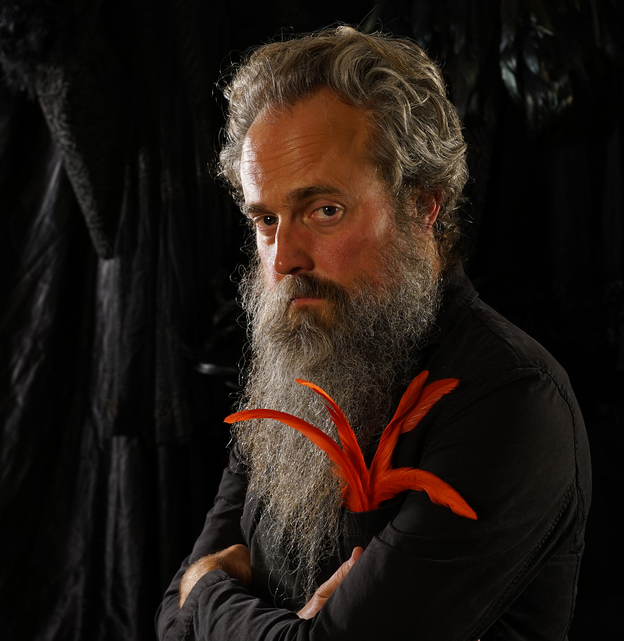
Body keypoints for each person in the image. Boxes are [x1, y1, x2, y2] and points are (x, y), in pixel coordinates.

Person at [156, 26, 591, 640]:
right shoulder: (297, 367)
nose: (284, 259)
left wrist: (210, 590)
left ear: (423, 205)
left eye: (323, 211)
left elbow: (194, 594)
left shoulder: (514, 399)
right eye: (267, 219)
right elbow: (171, 623)